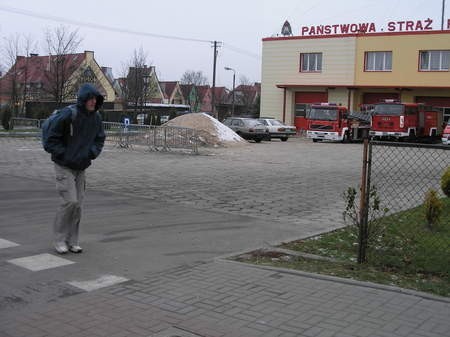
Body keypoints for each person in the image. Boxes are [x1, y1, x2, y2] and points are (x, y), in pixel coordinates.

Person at [45, 83, 105, 254]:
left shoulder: (96, 118)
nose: (94, 102)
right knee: (69, 201)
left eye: (96, 99)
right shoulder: (68, 115)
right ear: (84, 99)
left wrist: (91, 153)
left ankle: (73, 241)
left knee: (78, 205)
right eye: (91, 99)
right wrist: (63, 155)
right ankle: (59, 240)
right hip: (64, 165)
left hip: (81, 166)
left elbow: (99, 139)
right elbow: (51, 139)